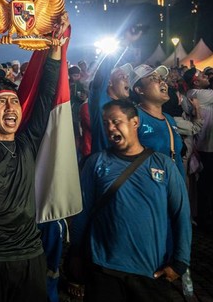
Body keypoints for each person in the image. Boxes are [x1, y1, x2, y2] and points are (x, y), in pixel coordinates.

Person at [0, 10, 65, 301]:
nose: (11, 108)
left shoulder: (28, 143)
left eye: (14, 101)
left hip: (29, 256)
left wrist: (55, 50)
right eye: (1, 102)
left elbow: (46, 96)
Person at [69, 99, 191, 301]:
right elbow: (82, 213)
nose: (110, 128)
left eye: (116, 121)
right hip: (104, 270)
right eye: (106, 123)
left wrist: (180, 261)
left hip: (150, 271)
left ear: (135, 122)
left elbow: (181, 214)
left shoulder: (163, 165)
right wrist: (75, 253)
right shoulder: (96, 164)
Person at [183, 67, 213, 230]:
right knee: (207, 185)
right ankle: (204, 217)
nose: (206, 77)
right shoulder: (198, 94)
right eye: (202, 75)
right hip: (206, 147)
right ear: (195, 81)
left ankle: (202, 214)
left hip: (203, 145)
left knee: (204, 184)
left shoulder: (194, 93)